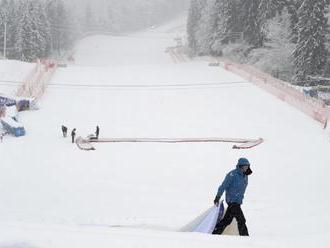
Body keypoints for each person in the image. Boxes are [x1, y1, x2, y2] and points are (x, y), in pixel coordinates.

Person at [212, 157, 253, 236]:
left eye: (247, 167)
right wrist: (217, 197)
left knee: (227, 220)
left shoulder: (245, 176)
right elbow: (223, 186)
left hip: (238, 201)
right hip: (232, 201)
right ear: (240, 166)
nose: (246, 168)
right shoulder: (232, 175)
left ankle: (215, 233)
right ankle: (245, 237)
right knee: (241, 220)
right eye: (245, 167)